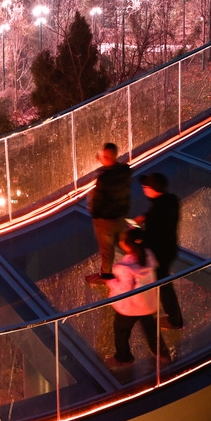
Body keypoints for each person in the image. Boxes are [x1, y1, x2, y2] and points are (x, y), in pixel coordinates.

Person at [99, 227, 169, 367]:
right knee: (151, 329)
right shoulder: (149, 255)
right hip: (147, 303)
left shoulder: (123, 267)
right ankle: (163, 354)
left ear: (127, 245)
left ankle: (123, 357)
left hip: (130, 307)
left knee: (121, 330)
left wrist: (110, 281)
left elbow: (124, 289)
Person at [136, 173, 182, 330]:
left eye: (145, 186)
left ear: (151, 189)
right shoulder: (171, 199)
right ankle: (174, 318)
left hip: (160, 253)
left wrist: (135, 233)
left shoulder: (156, 212)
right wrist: (145, 216)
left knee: (164, 286)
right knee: (164, 284)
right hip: (170, 248)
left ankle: (174, 320)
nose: (143, 189)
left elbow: (151, 236)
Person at [85, 143, 132, 285]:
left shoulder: (104, 179)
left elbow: (98, 201)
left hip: (105, 219)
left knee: (106, 248)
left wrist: (95, 214)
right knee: (123, 241)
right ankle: (136, 262)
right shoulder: (125, 171)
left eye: (103, 156)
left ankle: (106, 274)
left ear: (107, 158)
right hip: (120, 215)